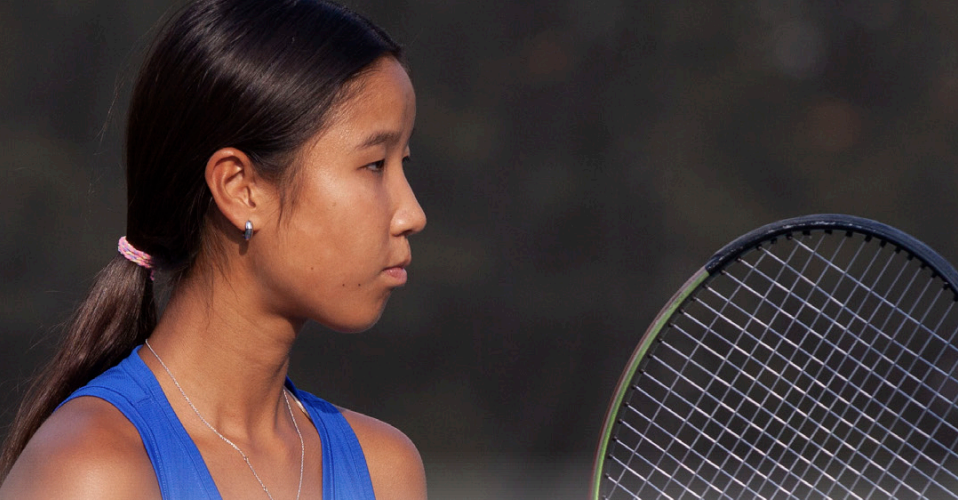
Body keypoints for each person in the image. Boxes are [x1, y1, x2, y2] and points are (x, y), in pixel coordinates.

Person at [0, 0, 428, 498]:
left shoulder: (385, 471)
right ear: (240, 188)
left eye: (405, 162)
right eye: (375, 164)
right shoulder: (94, 471)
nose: (412, 213)